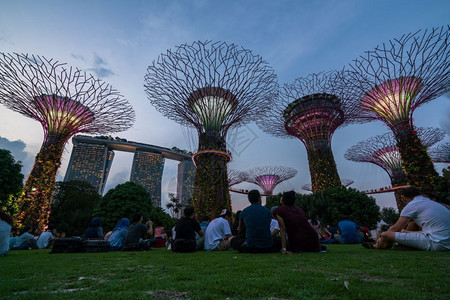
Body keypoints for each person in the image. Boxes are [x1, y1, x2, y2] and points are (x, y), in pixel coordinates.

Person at [369, 187, 450, 251]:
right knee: (393, 235)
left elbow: (396, 228)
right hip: (446, 241)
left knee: (385, 234)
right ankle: (381, 243)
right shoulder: (433, 203)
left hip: (437, 242)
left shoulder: (412, 205)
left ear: (403, 197)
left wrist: (383, 236)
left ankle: (377, 245)